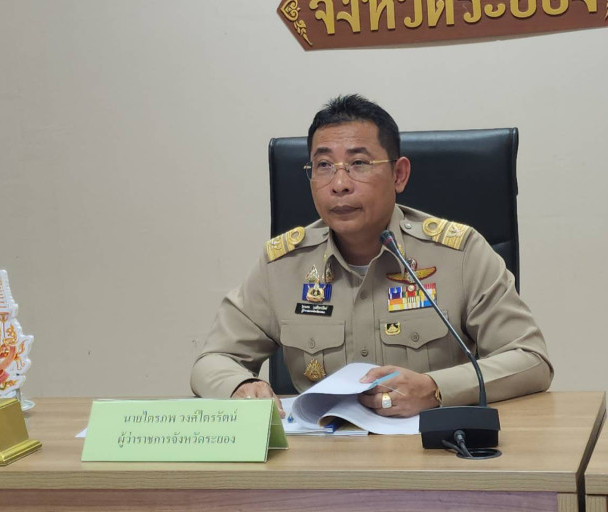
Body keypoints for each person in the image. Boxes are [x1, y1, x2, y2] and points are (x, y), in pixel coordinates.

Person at [190, 94, 553, 418]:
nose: (339, 184)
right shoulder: (283, 266)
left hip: (435, 453)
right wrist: (239, 386)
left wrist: (436, 388)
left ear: (399, 174)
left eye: (359, 164)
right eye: (323, 166)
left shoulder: (458, 254)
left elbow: (531, 359)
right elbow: (213, 360)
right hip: (321, 456)